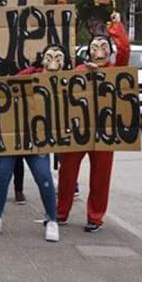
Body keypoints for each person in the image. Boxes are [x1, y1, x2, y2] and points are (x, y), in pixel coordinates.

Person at [0, 44, 66, 242]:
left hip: (38, 139)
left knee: (44, 176)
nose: (53, 61)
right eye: (49, 56)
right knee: (2, 176)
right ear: (42, 58)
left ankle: (52, 219)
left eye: (58, 57)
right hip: (16, 135)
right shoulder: (27, 74)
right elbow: (4, 91)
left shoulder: (68, 80)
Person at [57, 14, 130, 232]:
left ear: (109, 50)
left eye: (103, 45)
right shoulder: (79, 71)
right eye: (95, 45)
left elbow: (125, 49)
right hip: (79, 130)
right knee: (67, 172)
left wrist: (116, 26)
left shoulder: (116, 71)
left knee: (101, 176)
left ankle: (95, 217)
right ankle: (61, 212)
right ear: (88, 51)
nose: (99, 49)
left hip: (104, 132)